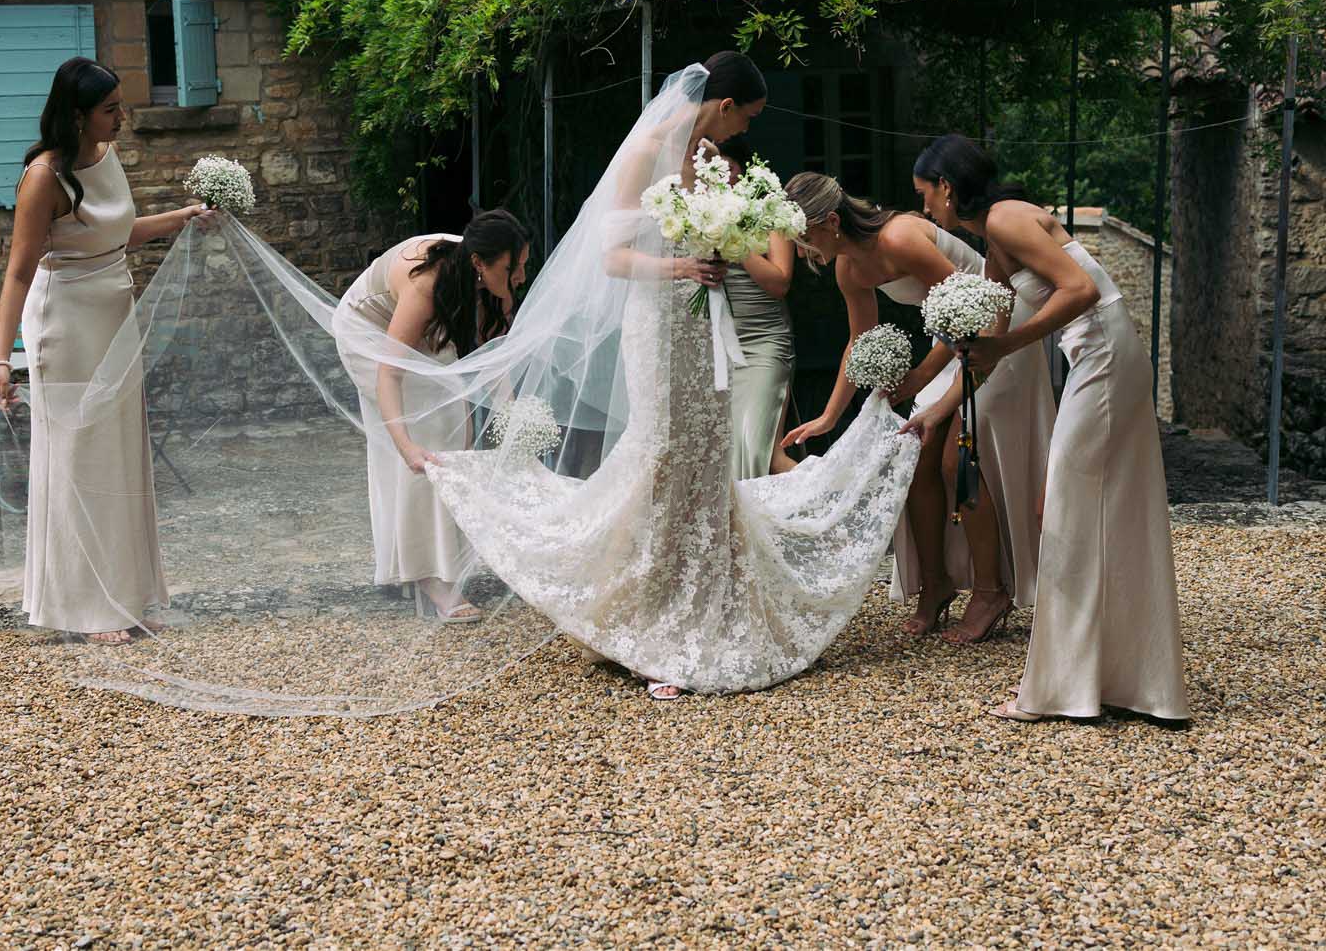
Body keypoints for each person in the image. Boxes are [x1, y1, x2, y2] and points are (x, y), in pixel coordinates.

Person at [422, 52, 923, 700]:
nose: (745, 130)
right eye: (746, 117)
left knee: (707, 455)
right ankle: (644, 607)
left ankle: (702, 602)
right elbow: (614, 255)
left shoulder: (715, 162)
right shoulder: (645, 152)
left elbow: (755, 259)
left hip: (705, 326)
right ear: (722, 104)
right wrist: (682, 268)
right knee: (661, 451)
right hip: (659, 324)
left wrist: (723, 241)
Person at [909, 134, 1189, 724]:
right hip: (1097, 357)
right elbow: (994, 326)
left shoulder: (1007, 219)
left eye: (926, 196)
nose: (926, 210)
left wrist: (1007, 342)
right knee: (1091, 509)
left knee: (1063, 506)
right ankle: (1116, 678)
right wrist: (939, 405)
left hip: (1104, 356)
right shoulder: (996, 239)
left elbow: (1081, 291)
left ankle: (1066, 686)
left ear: (948, 188)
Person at [0, 58, 215, 643]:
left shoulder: (106, 157)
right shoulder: (44, 177)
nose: (122, 117)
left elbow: (120, 231)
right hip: (65, 324)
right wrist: (0, 358)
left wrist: (184, 217)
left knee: (119, 457)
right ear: (77, 113)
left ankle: (127, 594)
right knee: (78, 460)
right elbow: (17, 273)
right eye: (111, 108)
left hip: (114, 314)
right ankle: (86, 607)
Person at [782, 172, 1054, 643]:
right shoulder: (850, 268)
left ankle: (991, 591)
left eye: (805, 237)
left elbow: (972, 307)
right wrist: (828, 417)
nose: (802, 250)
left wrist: (919, 378)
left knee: (955, 460)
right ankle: (936, 585)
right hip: (950, 341)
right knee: (914, 458)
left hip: (993, 334)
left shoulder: (902, 236)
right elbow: (857, 341)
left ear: (830, 221)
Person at [334, 210, 530, 623]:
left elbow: (494, 360)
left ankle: (443, 557)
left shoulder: (483, 277)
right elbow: (391, 372)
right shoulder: (427, 283)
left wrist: (516, 418)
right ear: (481, 262)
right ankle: (429, 576)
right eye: (515, 267)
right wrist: (405, 446)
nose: (522, 276)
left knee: (454, 417)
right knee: (424, 435)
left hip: (414, 325)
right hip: (367, 330)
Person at [715, 138, 798, 481]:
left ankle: (837, 509)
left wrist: (732, 240)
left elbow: (780, 282)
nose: (721, 179)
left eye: (728, 168)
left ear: (743, 167)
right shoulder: (694, 214)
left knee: (756, 449)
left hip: (765, 341)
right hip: (720, 348)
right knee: (735, 452)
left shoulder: (770, 211)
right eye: (712, 171)